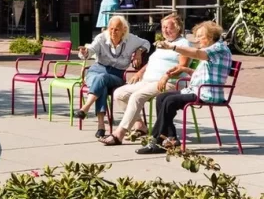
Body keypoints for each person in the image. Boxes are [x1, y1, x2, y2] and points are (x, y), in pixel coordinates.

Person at [136, 21, 232, 154]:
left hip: (207, 92)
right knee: (162, 98)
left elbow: (197, 54)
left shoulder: (218, 49)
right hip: (198, 89)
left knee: (170, 101)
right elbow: (204, 74)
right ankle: (171, 138)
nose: (197, 40)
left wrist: (173, 47)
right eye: (196, 36)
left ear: (211, 36)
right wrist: (185, 69)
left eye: (200, 36)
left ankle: (156, 140)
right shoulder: (213, 49)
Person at [99, 13, 191, 146]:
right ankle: (140, 125)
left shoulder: (183, 44)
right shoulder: (163, 43)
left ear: (178, 28)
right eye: (163, 27)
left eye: (168, 28)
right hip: (147, 81)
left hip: (168, 83)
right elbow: (152, 62)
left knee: (137, 96)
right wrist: (140, 73)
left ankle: (119, 134)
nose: (165, 30)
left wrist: (166, 76)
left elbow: (182, 67)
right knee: (119, 94)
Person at [74, 16, 150, 138]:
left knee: (102, 79)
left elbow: (146, 43)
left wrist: (139, 52)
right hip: (96, 70)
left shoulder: (131, 39)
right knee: (101, 84)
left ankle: (86, 108)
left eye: (116, 29)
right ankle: (100, 126)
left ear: (124, 30)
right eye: (111, 29)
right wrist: (85, 53)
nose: (113, 32)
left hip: (117, 75)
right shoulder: (101, 38)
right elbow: (91, 50)